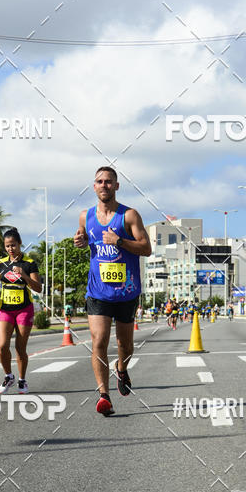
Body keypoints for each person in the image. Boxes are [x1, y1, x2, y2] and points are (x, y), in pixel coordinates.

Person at [74, 166, 151, 416]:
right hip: (97, 292)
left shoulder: (129, 215)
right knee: (99, 340)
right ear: (93, 186)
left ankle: (122, 368)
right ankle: (104, 395)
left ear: (116, 186)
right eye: (99, 181)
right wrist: (82, 242)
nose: (104, 185)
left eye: (109, 181)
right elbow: (87, 240)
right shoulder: (85, 216)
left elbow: (146, 248)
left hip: (126, 292)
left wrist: (119, 241)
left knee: (125, 346)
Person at [0, 228, 42, 395]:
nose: (10, 249)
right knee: (3, 346)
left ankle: (22, 380)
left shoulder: (29, 263)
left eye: (13, 245)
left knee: (20, 348)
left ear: (20, 244)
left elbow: (38, 288)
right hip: (5, 309)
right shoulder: (1, 263)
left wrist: (25, 275)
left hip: (24, 309)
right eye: (7, 246)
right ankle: (8, 376)